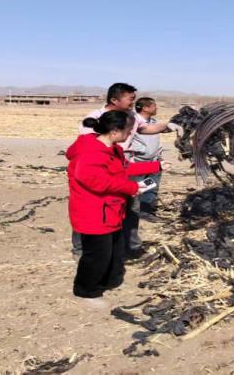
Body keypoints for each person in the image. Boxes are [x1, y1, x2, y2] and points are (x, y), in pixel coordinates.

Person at [72, 83, 183, 260]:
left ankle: (130, 247)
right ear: (114, 100)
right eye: (130, 99)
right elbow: (88, 155)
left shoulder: (132, 116)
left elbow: (145, 128)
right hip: (104, 169)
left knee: (131, 208)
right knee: (92, 210)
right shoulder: (94, 120)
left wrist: (167, 127)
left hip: (125, 165)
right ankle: (82, 249)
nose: (134, 102)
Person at [66, 111, 166, 305]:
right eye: (128, 131)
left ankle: (111, 281)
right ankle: (86, 291)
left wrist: (156, 166)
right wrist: (131, 187)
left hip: (111, 210)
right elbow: (94, 180)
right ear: (114, 131)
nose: (130, 135)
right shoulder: (91, 153)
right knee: (97, 255)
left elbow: (125, 168)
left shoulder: (112, 150)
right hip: (94, 212)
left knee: (114, 249)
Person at [129, 97, 163, 222]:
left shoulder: (155, 123)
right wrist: (142, 151)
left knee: (151, 187)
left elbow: (156, 141)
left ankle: (145, 211)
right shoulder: (132, 122)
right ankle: (132, 212)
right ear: (145, 108)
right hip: (138, 161)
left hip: (154, 160)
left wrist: (158, 154)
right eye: (154, 105)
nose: (157, 108)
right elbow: (128, 141)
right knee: (135, 188)